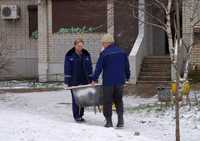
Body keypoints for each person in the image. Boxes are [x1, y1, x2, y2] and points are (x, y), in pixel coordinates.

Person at [92, 34, 130, 128]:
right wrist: (127, 77)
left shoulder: (104, 54)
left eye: (103, 43)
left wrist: (94, 79)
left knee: (107, 101)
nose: (102, 45)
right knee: (118, 100)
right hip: (120, 82)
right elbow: (126, 66)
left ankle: (109, 122)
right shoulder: (122, 52)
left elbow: (98, 68)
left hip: (108, 82)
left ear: (107, 43)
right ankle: (120, 121)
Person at [64, 38, 93, 122]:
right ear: (75, 45)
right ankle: (76, 116)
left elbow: (90, 67)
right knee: (75, 98)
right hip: (74, 80)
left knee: (83, 98)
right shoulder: (69, 55)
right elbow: (67, 68)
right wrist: (67, 81)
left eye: (81, 46)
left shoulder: (86, 54)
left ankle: (81, 115)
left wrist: (92, 79)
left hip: (84, 80)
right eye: (78, 46)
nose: (80, 47)